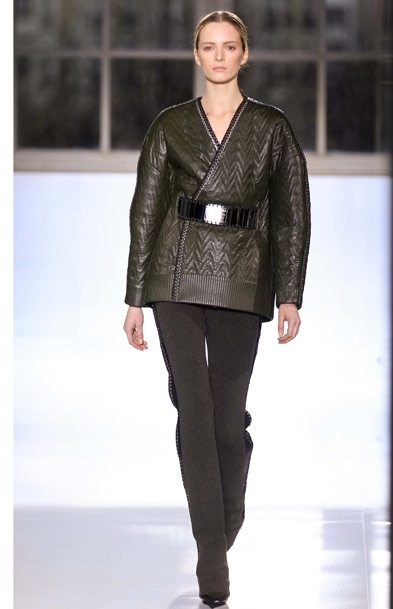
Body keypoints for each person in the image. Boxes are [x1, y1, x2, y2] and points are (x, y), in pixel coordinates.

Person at [123, 10, 311, 608]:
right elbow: (146, 210)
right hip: (175, 273)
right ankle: (212, 552)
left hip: (243, 275)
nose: (220, 56)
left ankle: (225, 515)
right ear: (197, 54)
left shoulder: (272, 128)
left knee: (227, 423)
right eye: (210, 47)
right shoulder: (170, 125)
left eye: (230, 47)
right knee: (195, 410)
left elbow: (293, 214)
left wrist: (289, 292)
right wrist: (134, 296)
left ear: (244, 54)